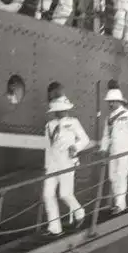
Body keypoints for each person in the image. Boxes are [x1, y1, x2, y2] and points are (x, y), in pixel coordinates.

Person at [43, 94, 91, 236]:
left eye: (63, 109)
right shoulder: (49, 125)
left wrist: (75, 147)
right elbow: (48, 147)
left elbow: (85, 139)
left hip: (67, 162)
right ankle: (55, 228)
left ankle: (79, 212)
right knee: (47, 195)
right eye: (59, 110)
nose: (62, 112)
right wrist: (47, 165)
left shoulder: (73, 123)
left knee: (65, 194)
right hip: (52, 165)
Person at [100, 81, 128, 214]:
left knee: (120, 175)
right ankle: (117, 203)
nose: (110, 104)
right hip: (113, 151)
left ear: (119, 101)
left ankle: (120, 205)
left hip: (126, 151)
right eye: (109, 102)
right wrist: (103, 148)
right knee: (112, 177)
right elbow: (106, 135)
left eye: (113, 101)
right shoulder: (109, 118)